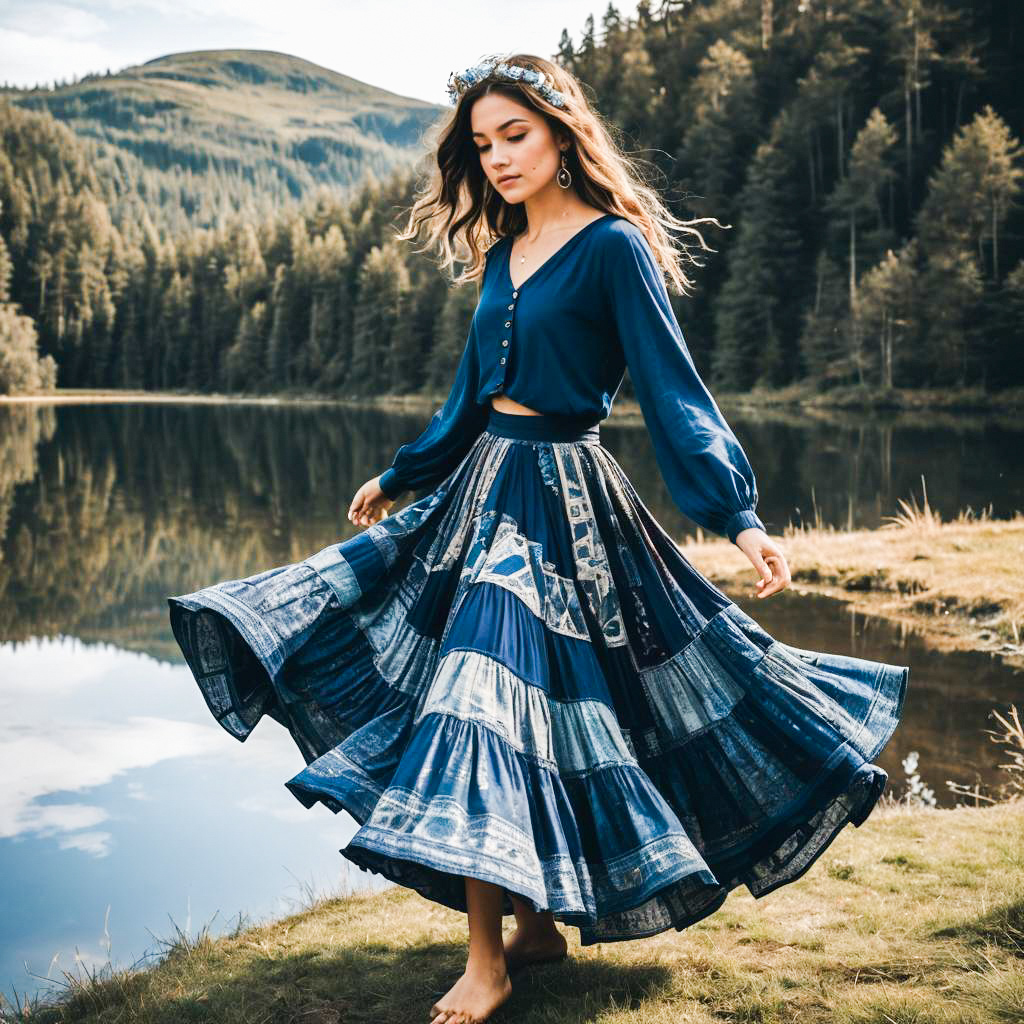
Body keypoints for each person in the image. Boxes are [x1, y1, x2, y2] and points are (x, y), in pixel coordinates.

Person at [168, 53, 910, 1024]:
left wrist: (735, 513)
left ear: (561, 133)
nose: (498, 156)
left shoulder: (612, 248)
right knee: (480, 706)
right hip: (482, 492)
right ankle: (530, 927)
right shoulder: (500, 251)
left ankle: (488, 962)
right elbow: (470, 395)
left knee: (500, 705)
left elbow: (672, 389)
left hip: (566, 498)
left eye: (514, 134)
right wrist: (405, 472)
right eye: (482, 144)